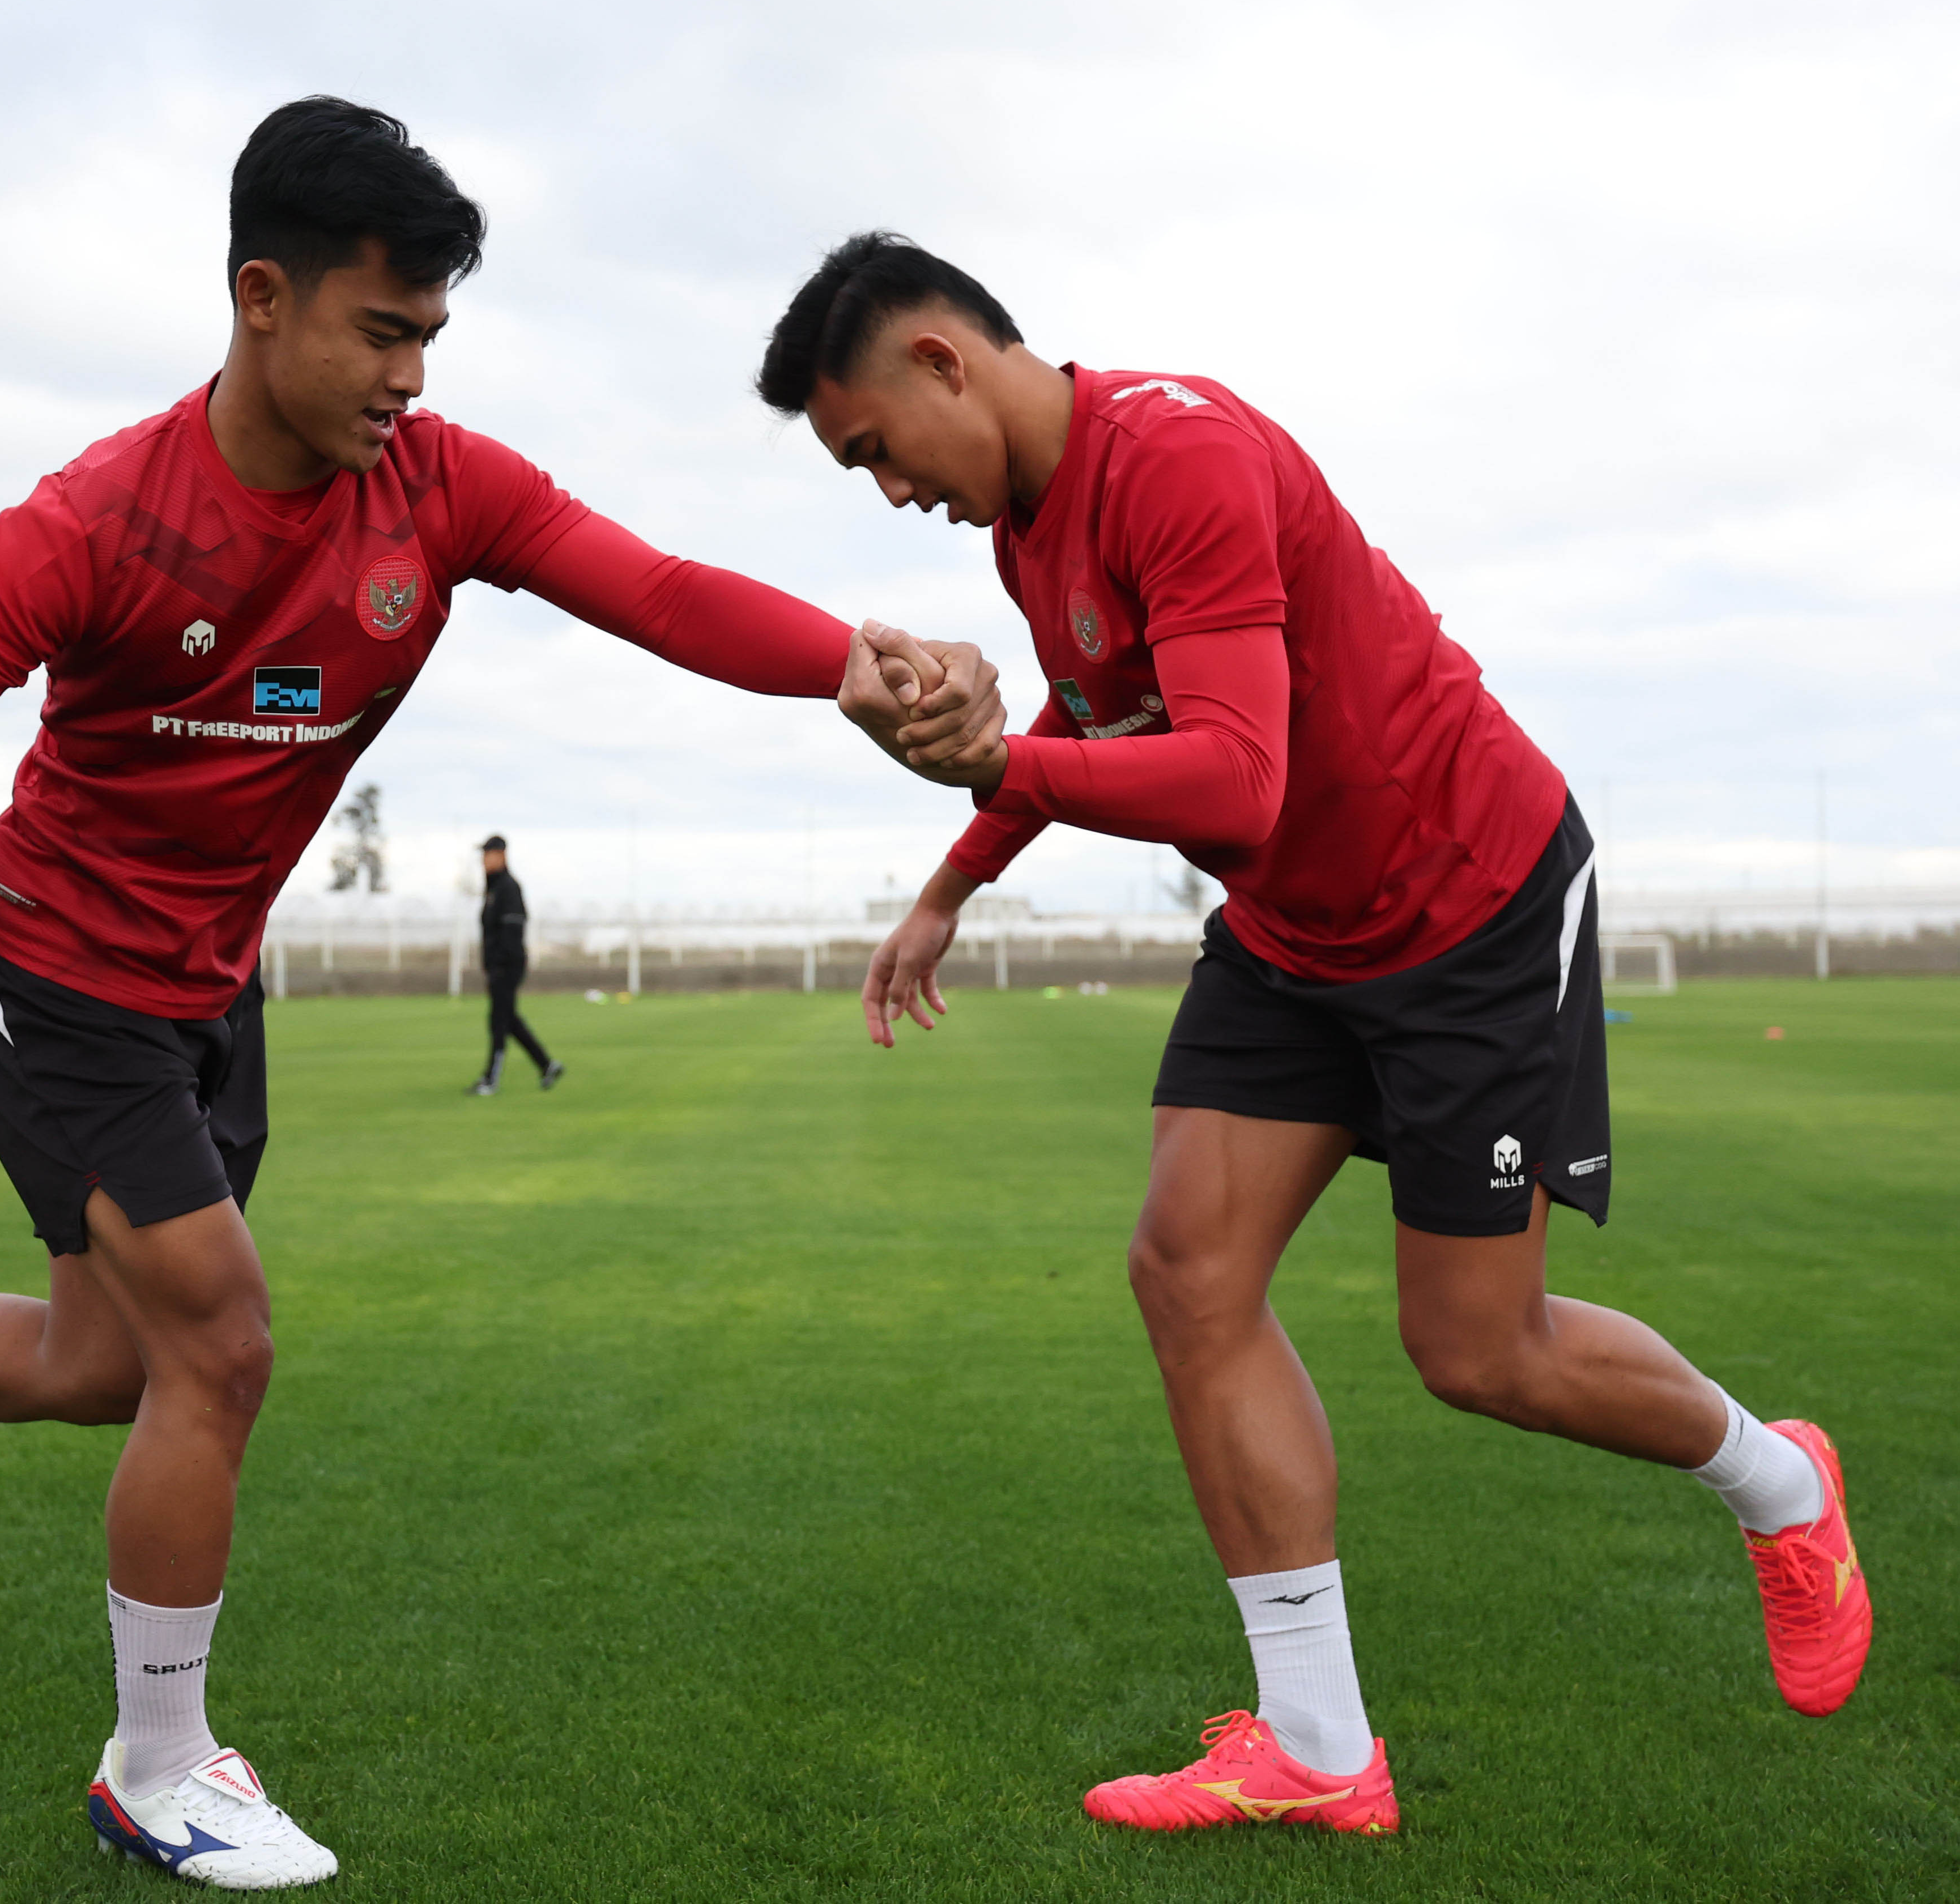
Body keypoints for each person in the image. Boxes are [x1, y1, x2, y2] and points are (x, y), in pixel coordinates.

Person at [0, 107, 997, 1890]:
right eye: (380, 332)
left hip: (206, 1001)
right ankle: (155, 1768)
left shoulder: (444, 489)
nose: (408, 375)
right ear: (261, 298)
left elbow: (656, 589)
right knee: (220, 1349)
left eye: (428, 341)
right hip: (49, 976)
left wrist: (860, 667)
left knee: (105, 1370)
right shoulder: (92, 521)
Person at [760, 232, 1871, 1835]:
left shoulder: (1180, 452)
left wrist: (989, 770)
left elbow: (1230, 778)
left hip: (1465, 902)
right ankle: (1317, 1745)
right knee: (1184, 1268)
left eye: (871, 449)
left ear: (938, 358)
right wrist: (951, 880)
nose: (886, 493)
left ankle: (1783, 1482)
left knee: (1476, 1349)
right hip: (1292, 935)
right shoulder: (1026, 528)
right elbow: (1097, 707)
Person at [467, 834, 559, 1094]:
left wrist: (499, 965)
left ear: (501, 855)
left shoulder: (508, 888)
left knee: (499, 1021)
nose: (484, 860)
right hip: (497, 966)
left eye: (488, 854)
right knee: (509, 1020)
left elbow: (511, 932)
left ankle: (490, 1080)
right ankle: (547, 1064)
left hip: (507, 966)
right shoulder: (493, 888)